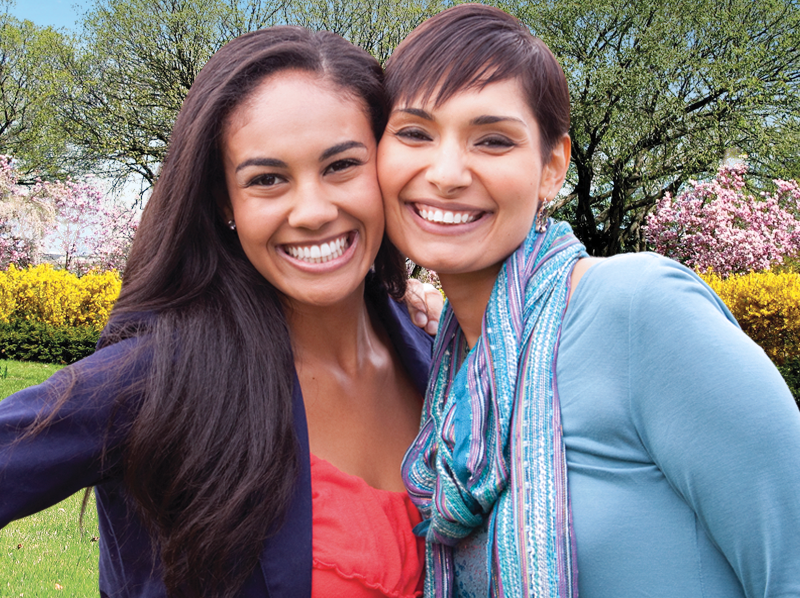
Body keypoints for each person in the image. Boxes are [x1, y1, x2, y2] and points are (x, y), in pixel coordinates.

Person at [376, 4, 800, 597]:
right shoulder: (445, 376)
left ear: (552, 168)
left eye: (493, 140)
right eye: (414, 133)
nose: (446, 173)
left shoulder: (639, 310)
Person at [0, 27, 438, 598]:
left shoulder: (434, 352)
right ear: (224, 204)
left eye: (341, 166)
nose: (311, 210)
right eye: (267, 179)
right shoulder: (158, 377)